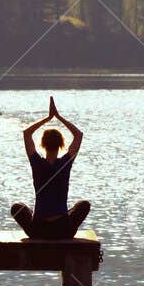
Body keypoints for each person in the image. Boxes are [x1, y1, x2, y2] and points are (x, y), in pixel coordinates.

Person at [11, 97, 91, 240]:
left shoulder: (36, 162)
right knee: (83, 205)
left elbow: (27, 133)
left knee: (17, 207)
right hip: (62, 230)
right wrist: (58, 117)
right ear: (61, 145)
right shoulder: (65, 163)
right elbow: (78, 135)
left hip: (38, 229)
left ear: (42, 144)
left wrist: (47, 118)